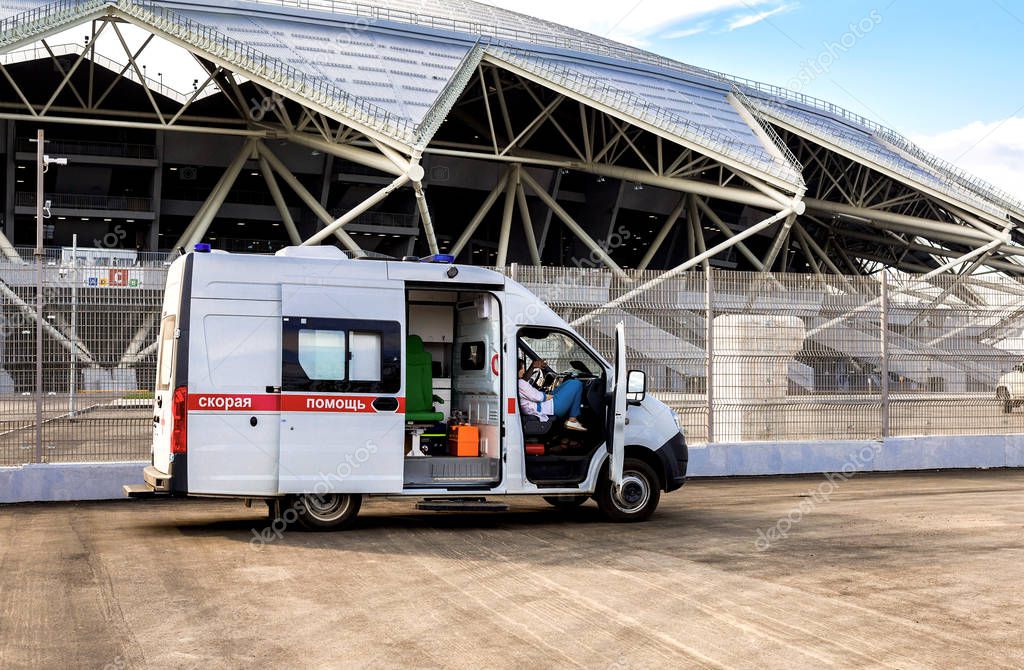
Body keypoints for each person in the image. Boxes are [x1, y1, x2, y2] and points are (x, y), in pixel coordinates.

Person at [517, 360, 586, 431]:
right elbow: (537, 397)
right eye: (522, 368)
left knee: (567, 383)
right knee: (576, 384)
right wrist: (546, 396)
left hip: (543, 406)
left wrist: (532, 367)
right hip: (549, 408)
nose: (524, 370)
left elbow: (525, 381)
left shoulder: (516, 383)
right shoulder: (520, 383)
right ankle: (572, 420)